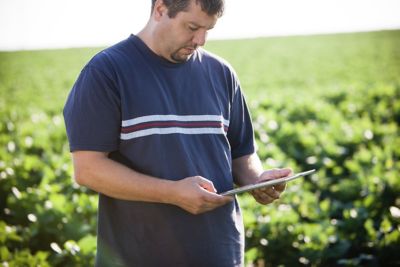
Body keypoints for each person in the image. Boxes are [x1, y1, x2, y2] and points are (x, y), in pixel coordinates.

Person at [63, 0, 291, 266]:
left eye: (209, 29)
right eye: (192, 27)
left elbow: (242, 153)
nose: (201, 40)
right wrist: (172, 192)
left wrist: (257, 180)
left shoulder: (221, 73)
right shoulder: (106, 73)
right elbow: (88, 170)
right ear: (160, 9)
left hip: (221, 255)